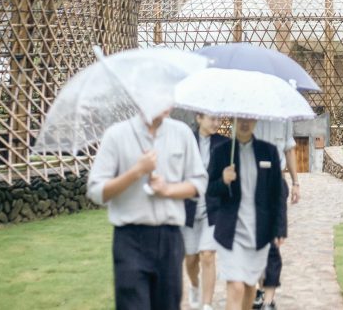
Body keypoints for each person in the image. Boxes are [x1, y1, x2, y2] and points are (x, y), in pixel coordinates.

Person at [87, 107, 207, 310]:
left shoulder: (182, 133)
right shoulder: (117, 135)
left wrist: (167, 189)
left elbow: (199, 184)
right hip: (130, 239)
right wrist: (136, 171)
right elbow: (96, 191)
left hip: (170, 239)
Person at [206, 118, 287, 310]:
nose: (244, 123)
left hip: (259, 231)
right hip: (231, 231)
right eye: (240, 119)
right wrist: (223, 181)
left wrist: (280, 228)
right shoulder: (221, 152)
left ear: (255, 121)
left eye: (248, 119)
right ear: (234, 121)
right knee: (235, 286)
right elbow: (209, 189)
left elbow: (277, 193)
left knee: (250, 285)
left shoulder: (269, 151)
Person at [251, 119, 299, 310]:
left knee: (273, 243)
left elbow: (289, 148)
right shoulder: (249, 112)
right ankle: (257, 288)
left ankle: (269, 300)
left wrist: (296, 183)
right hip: (251, 183)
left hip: (276, 182)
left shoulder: (285, 117)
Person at [182, 113, 228, 310]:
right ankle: (194, 285)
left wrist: (227, 179)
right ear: (199, 118)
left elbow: (228, 182)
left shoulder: (225, 144)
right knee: (191, 258)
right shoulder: (185, 140)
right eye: (212, 119)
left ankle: (207, 304)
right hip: (189, 208)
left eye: (219, 119)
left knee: (207, 254)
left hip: (213, 208)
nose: (217, 123)